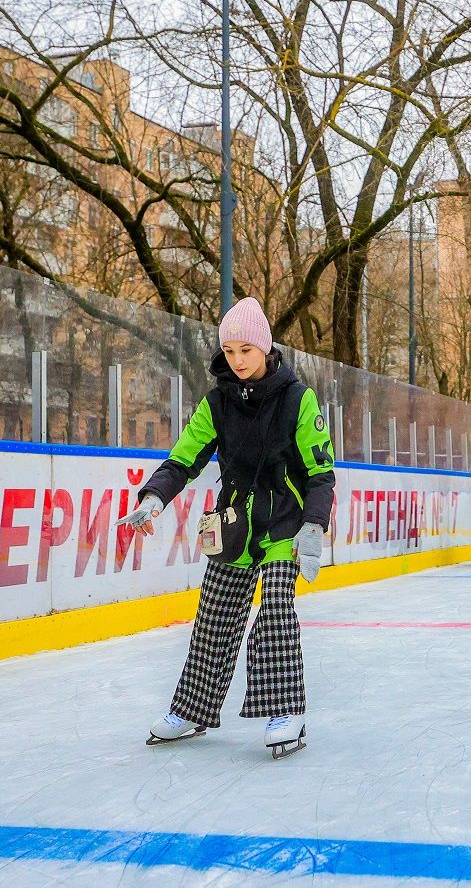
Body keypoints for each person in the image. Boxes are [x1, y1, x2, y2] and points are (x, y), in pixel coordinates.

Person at [122, 297, 336, 757]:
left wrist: (313, 526)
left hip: (283, 525)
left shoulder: (298, 399)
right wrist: (154, 497)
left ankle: (285, 710)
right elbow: (184, 457)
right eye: (230, 351)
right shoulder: (217, 401)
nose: (237, 360)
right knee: (214, 615)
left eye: (247, 350)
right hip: (233, 524)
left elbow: (321, 472)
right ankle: (193, 710)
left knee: (276, 609)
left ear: (265, 348)